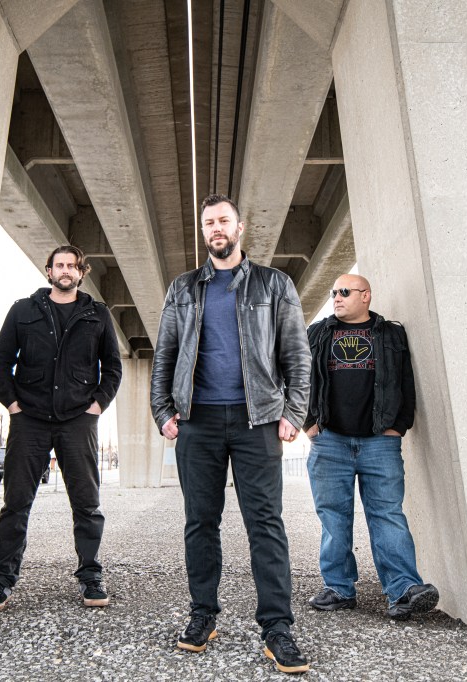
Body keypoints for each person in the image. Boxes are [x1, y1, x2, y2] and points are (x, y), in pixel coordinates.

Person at [151, 194, 311, 674]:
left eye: (223, 221)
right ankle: (203, 615)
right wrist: (163, 411)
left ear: (240, 227)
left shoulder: (274, 283)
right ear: (204, 232)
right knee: (201, 522)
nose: (216, 229)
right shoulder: (183, 288)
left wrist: (294, 412)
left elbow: (296, 355)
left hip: (256, 420)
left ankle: (277, 628)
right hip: (197, 420)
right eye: (208, 223)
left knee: (265, 524)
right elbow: (164, 355)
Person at [0, 245, 122, 612]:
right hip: (29, 418)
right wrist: (12, 404)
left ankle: (90, 576)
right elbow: (0, 361)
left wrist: (97, 406)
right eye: (59, 265)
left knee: (87, 504)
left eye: (72, 266)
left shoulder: (98, 314)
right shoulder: (22, 310)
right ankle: (1, 579)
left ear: (81, 272)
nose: (65, 270)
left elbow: (113, 367)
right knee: (15, 503)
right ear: (48, 271)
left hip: (78, 419)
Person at [303, 274, 439, 620]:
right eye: (334, 292)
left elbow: (406, 381)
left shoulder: (391, 334)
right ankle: (338, 588)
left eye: (345, 292)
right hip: (330, 441)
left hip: (380, 441)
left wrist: (399, 426)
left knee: (388, 515)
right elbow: (298, 376)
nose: (337, 297)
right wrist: (308, 422)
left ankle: (403, 589)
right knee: (334, 517)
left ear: (366, 296)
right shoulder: (317, 333)